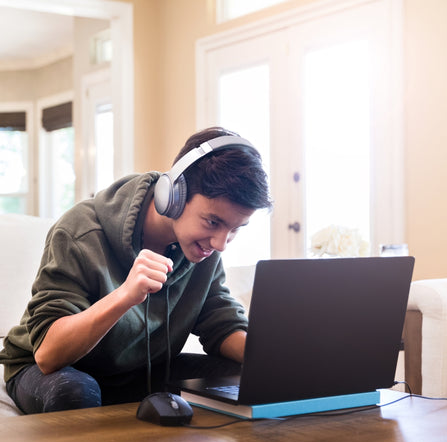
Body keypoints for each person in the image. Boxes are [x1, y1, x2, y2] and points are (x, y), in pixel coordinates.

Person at [0, 126, 272, 414]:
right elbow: (48, 354)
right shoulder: (80, 231)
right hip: (53, 371)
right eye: (212, 222)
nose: (220, 244)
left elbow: (221, 323)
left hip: (142, 371)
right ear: (175, 194)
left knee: (245, 378)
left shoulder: (205, 249)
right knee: (75, 392)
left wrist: (271, 356)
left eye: (235, 230)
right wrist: (125, 295)